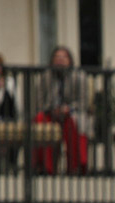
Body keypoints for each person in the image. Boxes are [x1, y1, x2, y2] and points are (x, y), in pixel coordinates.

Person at [33, 46, 91, 175]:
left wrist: (68, 109)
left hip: (71, 114)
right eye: (57, 57)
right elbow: (39, 101)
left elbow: (83, 101)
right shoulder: (45, 77)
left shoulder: (79, 76)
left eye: (63, 57)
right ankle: (46, 167)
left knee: (74, 124)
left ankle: (75, 167)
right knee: (40, 120)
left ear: (70, 60)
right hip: (50, 113)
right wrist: (53, 109)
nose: (60, 60)